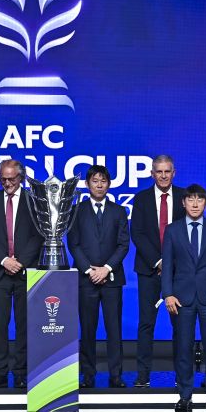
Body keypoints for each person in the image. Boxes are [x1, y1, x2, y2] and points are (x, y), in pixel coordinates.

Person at [161, 184, 206, 412]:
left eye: (200, 199)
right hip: (181, 297)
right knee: (183, 349)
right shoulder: (173, 230)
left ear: (205, 203)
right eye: (191, 199)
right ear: (183, 203)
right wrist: (168, 294)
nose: (195, 204)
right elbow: (167, 265)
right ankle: (184, 396)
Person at [0, 159, 43, 388]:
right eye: (3, 179)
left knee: (25, 326)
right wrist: (5, 260)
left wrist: (20, 262)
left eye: (11, 179)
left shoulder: (33, 200)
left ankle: (21, 373)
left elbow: (38, 235)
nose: (7, 183)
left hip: (25, 273)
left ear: (21, 177)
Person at [69, 165, 130, 389]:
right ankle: (88, 375)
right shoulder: (76, 210)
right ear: (87, 184)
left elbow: (123, 245)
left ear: (109, 184)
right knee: (87, 329)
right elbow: (73, 244)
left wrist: (106, 268)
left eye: (103, 181)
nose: (99, 185)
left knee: (114, 329)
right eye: (95, 181)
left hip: (112, 279)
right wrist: (90, 270)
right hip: (86, 279)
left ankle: (116, 375)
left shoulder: (119, 211)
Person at [130, 155, 186, 387]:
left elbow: (188, 233)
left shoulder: (184, 197)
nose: (163, 176)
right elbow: (137, 234)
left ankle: (182, 376)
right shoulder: (141, 199)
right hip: (149, 270)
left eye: (167, 171)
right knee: (146, 324)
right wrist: (158, 261)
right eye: (159, 172)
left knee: (180, 325)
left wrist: (171, 263)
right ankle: (143, 376)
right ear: (152, 174)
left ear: (174, 173)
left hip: (179, 272)